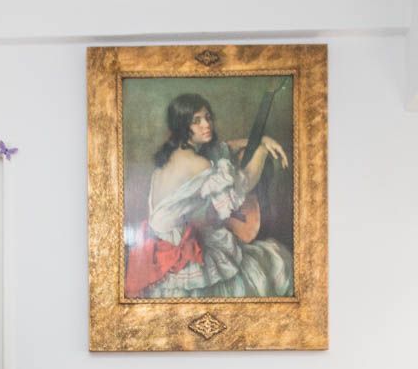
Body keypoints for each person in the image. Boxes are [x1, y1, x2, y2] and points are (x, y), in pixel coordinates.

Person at [125, 92, 292, 298]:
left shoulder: (170, 157)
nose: (206, 124)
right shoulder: (199, 164)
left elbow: (224, 148)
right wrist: (262, 150)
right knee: (273, 262)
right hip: (177, 253)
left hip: (159, 246)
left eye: (208, 117)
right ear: (182, 125)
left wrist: (258, 139)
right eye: (196, 121)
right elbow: (244, 184)